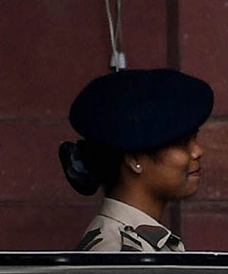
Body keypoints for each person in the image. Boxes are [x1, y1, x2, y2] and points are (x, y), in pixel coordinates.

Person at [59, 67, 213, 252]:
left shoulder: (138, 244)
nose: (198, 151)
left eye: (195, 138)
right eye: (183, 143)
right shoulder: (118, 253)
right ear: (133, 159)